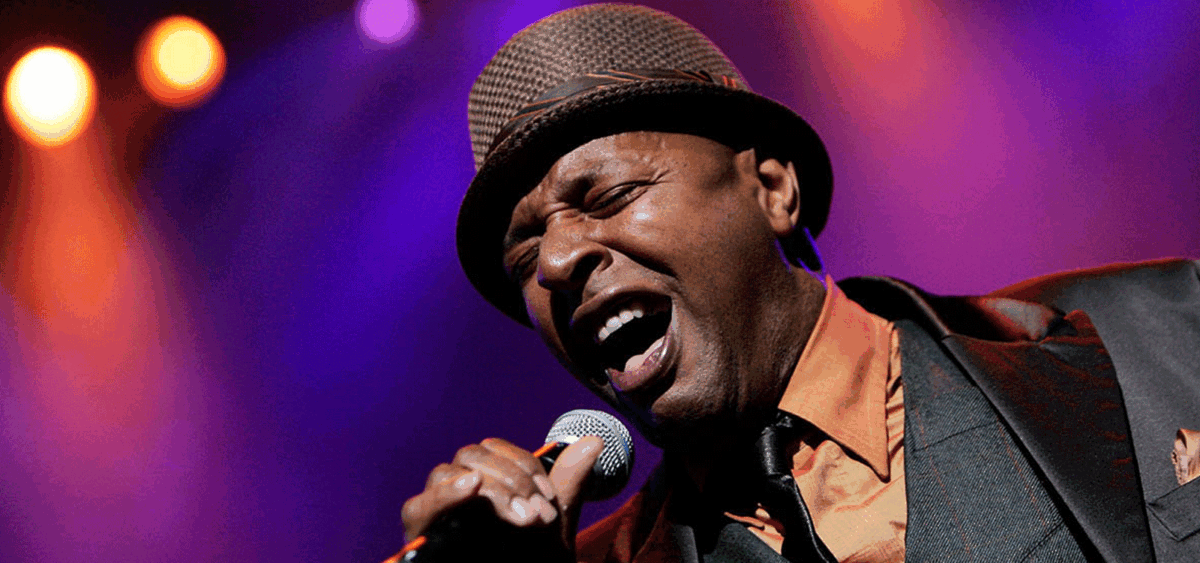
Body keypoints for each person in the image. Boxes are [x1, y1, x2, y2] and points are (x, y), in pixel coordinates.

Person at [399, 4, 1200, 562]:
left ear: (774, 189)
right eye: (524, 256)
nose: (555, 262)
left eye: (609, 195)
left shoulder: (1166, 331)